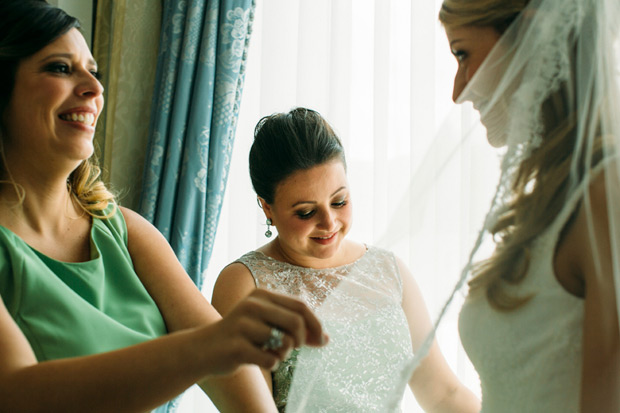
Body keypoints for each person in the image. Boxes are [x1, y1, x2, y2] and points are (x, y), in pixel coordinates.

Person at [0, 1, 328, 411]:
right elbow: (17, 393)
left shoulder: (125, 232)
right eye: (60, 68)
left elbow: (231, 370)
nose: (94, 88)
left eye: (94, 72)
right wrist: (205, 348)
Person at [211, 107, 480, 412]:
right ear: (267, 208)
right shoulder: (243, 284)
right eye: (306, 212)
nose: (329, 223)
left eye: (339, 201)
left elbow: (444, 393)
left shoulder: (388, 270)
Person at [434, 0, 620, 411]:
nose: (458, 91)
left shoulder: (608, 193)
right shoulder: (551, 196)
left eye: (462, 53)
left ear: (531, 40)